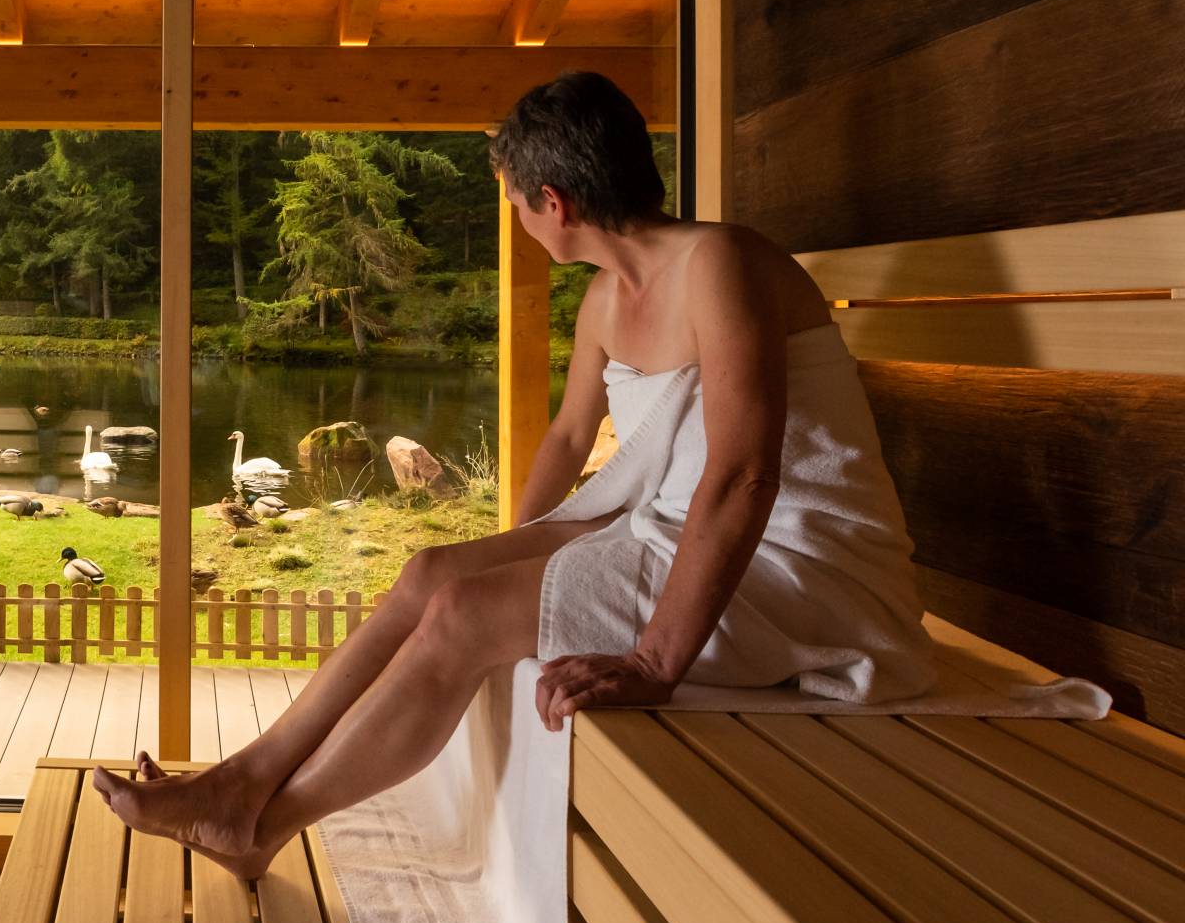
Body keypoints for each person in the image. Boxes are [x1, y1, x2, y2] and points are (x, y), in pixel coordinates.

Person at [95, 69, 922, 879]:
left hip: (797, 560)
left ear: (553, 203)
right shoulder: (605, 300)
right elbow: (568, 437)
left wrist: (652, 664)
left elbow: (744, 473)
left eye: (516, 203)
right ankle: (243, 778)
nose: (520, 219)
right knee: (432, 573)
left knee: (464, 613)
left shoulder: (720, 263)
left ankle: (261, 824)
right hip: (678, 527)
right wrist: (514, 551)